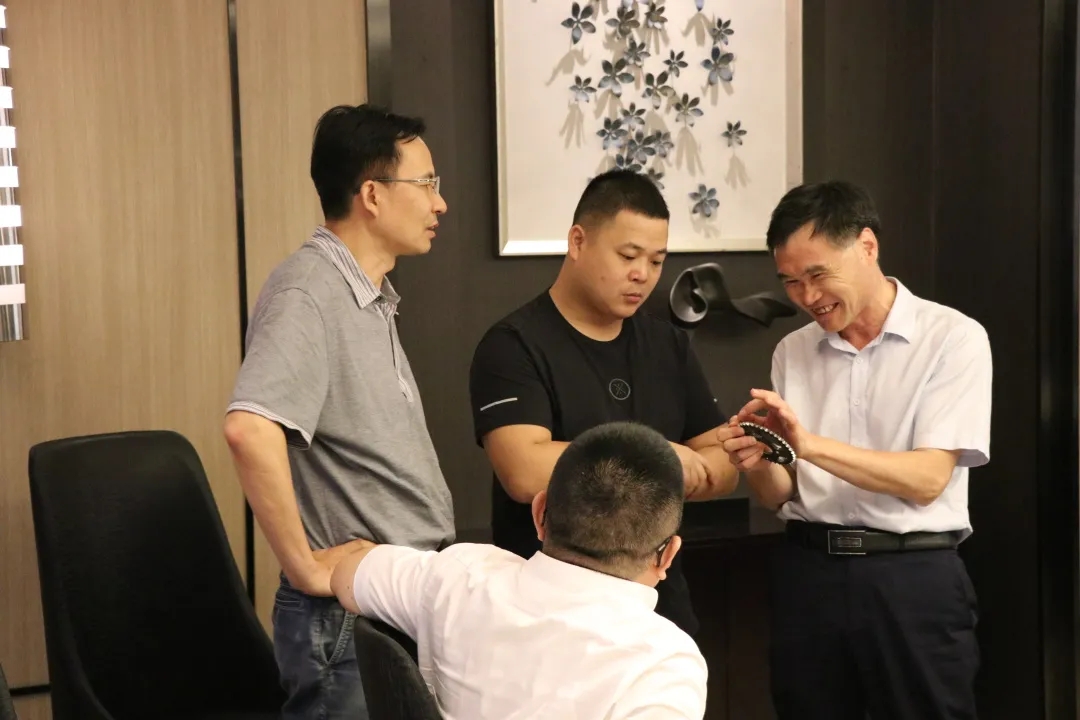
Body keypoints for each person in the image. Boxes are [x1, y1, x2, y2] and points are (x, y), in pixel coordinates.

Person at [719, 180, 990, 720]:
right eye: (791, 282)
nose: (807, 297)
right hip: (809, 572)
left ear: (867, 246)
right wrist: (758, 458)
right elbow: (780, 495)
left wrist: (807, 445)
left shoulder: (952, 337)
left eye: (818, 275)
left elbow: (927, 479)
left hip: (913, 577)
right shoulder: (792, 350)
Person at [223, 104, 455, 720]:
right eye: (427, 184)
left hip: (394, 597)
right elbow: (249, 428)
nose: (440, 204)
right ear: (373, 194)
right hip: (348, 615)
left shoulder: (367, 294)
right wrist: (304, 568)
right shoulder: (308, 290)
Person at [468, 169, 739, 637]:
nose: (642, 274)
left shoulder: (668, 345)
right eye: (628, 256)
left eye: (656, 261)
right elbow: (523, 470)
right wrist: (661, 460)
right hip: (548, 609)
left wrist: (694, 464)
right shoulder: (514, 345)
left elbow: (724, 465)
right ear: (578, 241)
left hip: (657, 603)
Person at [330, 421, 709, 720]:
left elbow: (347, 576)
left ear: (540, 513)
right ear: (666, 556)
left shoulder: (461, 573)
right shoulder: (664, 665)